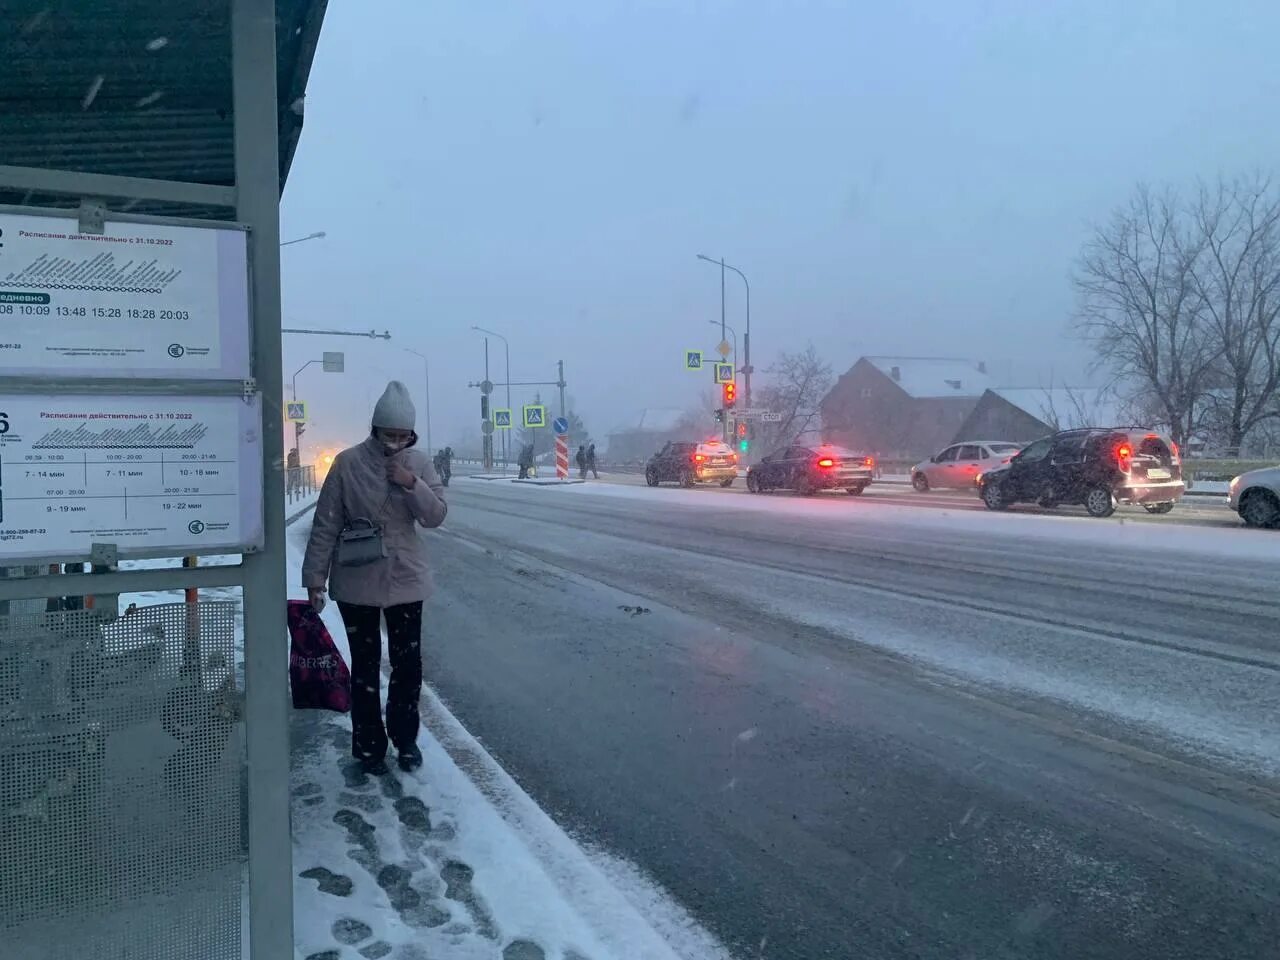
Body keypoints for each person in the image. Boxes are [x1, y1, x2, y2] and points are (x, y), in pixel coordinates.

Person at [302, 381, 447, 775]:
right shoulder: (348, 463)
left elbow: (435, 516)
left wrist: (411, 483)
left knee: (408, 666)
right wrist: (315, 579)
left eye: (403, 437)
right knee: (365, 667)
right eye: (389, 435)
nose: (396, 444)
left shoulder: (419, 464)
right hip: (357, 579)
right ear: (375, 429)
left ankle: (405, 740)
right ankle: (368, 746)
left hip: (405, 580)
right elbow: (326, 524)